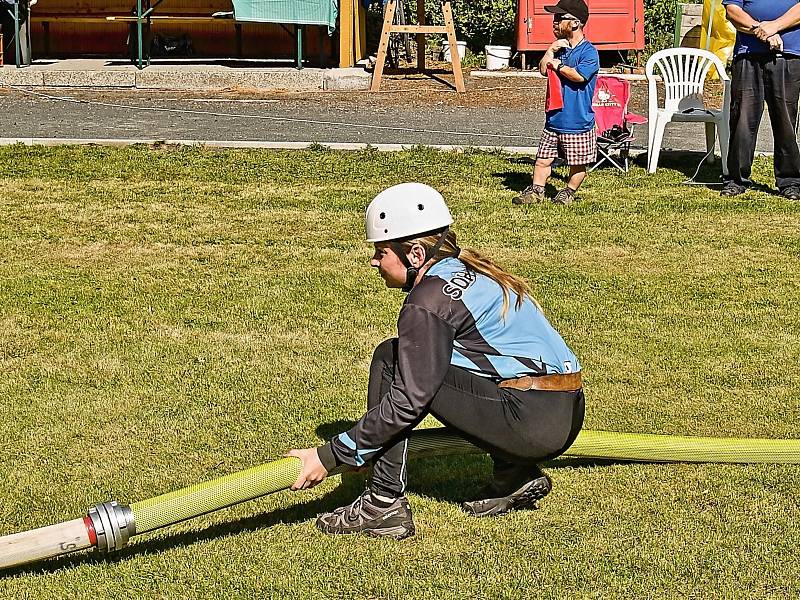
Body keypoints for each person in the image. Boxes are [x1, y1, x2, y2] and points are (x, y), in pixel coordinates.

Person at [288, 183, 585, 539]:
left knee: (392, 358)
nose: (373, 262)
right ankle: (514, 475)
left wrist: (332, 454)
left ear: (414, 254)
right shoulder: (469, 269)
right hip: (565, 411)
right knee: (443, 363)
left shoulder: (426, 302)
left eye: (381, 252)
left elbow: (408, 401)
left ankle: (383, 504)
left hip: (531, 422)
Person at [514, 0, 599, 206]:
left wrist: (558, 65)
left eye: (559, 18)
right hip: (554, 119)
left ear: (576, 23)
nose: (554, 22)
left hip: (578, 121)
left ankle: (568, 192)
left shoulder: (589, 53)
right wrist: (550, 52)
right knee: (542, 160)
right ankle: (536, 191)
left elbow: (579, 76)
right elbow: (544, 69)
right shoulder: (559, 48)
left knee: (577, 165)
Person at [721, 0, 800, 200]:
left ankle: (790, 182)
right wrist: (762, 30)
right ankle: (736, 180)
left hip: (787, 55)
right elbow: (732, 11)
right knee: (742, 120)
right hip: (747, 55)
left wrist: (775, 26)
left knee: (786, 122)